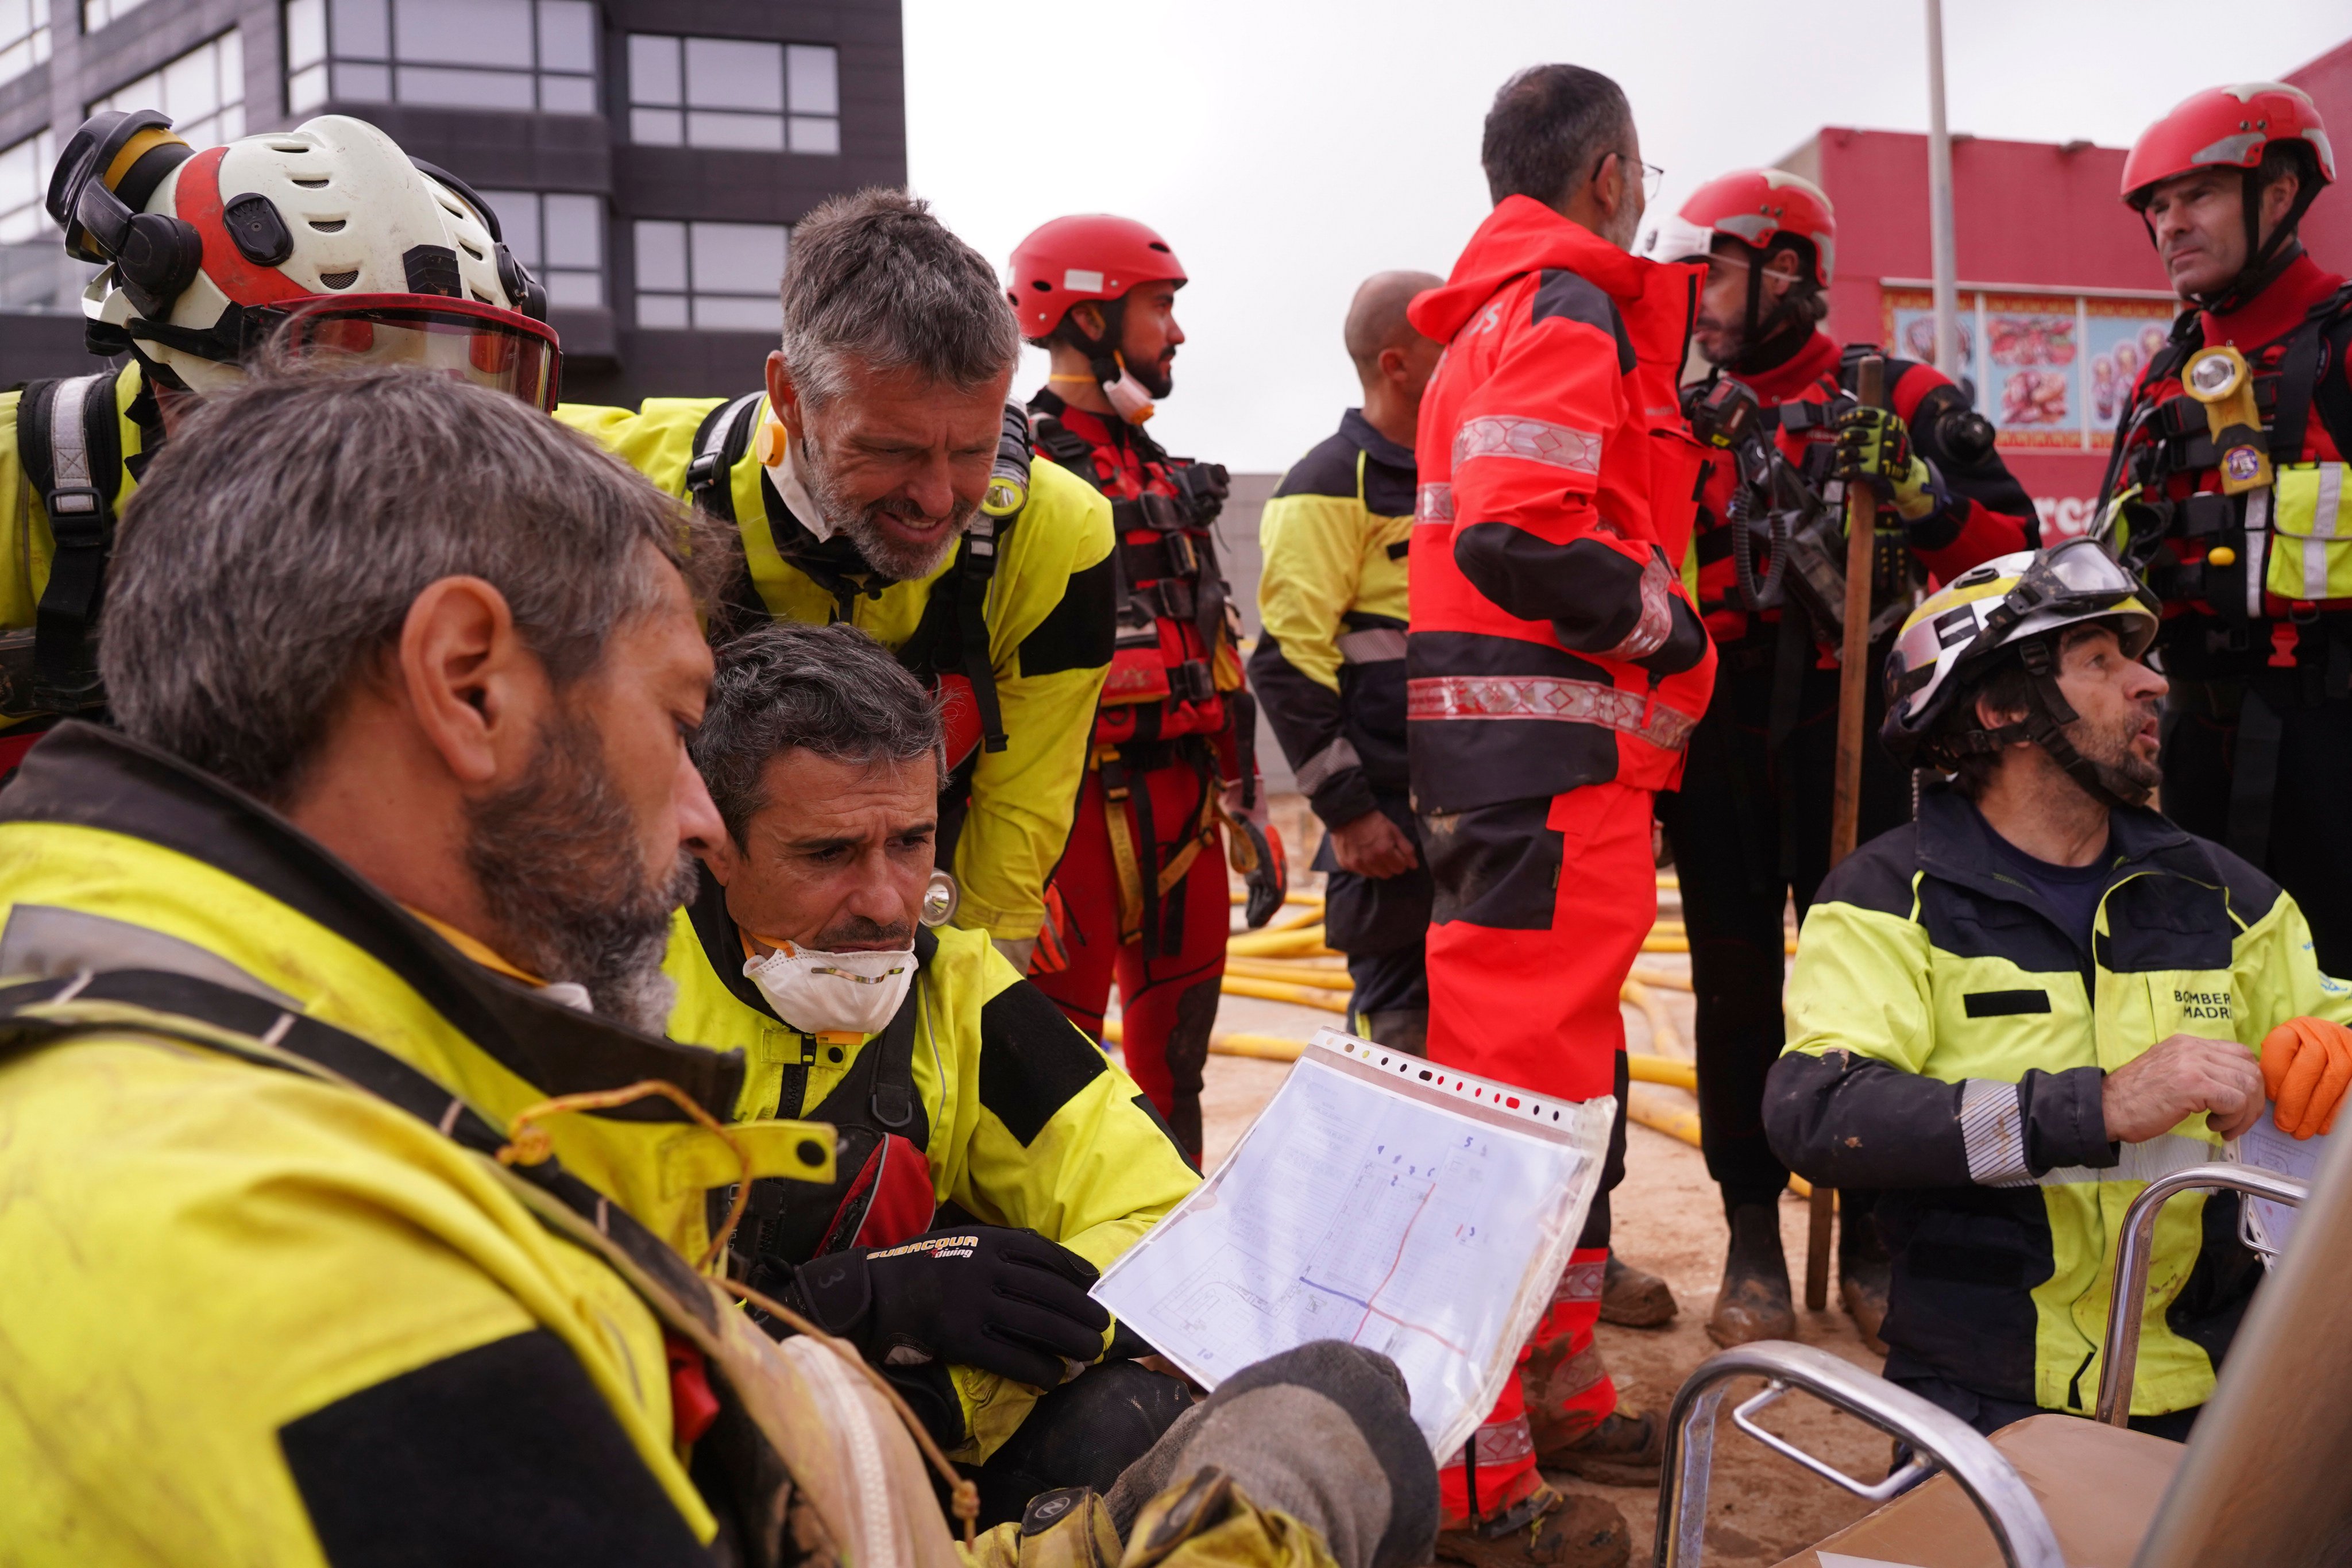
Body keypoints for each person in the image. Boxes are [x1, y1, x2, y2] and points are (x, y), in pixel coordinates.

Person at [0, 360, 1442, 1568]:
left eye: (909, 846)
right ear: (468, 685)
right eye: (673, 717)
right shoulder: (317, 1262)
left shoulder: (221, 1066)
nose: (694, 814)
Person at [1768, 539, 2352, 1439]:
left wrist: (2337, 1055)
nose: (2150, 682)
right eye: (2099, 661)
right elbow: (1822, 1111)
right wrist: (2097, 1104)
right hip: (1977, 1392)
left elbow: (2329, 1032)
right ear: (2002, 705)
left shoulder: (2230, 901)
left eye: (2142, 657)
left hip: (2210, 1391)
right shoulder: (1887, 899)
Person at [663, 620, 1203, 1525]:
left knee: (1142, 1423)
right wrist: (834, 1309)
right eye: (827, 853)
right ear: (712, 842)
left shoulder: (959, 990)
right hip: (674, 1464)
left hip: (912, 1454)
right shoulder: (614, 1001)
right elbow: (557, 1342)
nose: (884, 902)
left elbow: (1167, 1225)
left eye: (911, 842)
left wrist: (978, 1361)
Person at [1406, 64, 1714, 1566]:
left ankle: (1558, 1385)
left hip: (1549, 790)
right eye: (1639, 172)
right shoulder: (1564, 309)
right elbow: (1520, 528)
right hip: (1540, 793)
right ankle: (1473, 1484)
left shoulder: (1495, 318)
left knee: (1559, 1108)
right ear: (1603, 176)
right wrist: (1665, 630)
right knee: (1508, 1129)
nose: (1645, 196)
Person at [1646, 169, 2037, 1350]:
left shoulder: (1902, 394)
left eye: (1715, 271)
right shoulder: (1676, 407)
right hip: (1715, 744)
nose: (1698, 297)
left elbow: (2010, 543)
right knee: (1730, 989)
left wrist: (1919, 497)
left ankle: (1867, 1229)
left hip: (1853, 732)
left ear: (1788, 271)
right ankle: (1752, 1231)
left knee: (1864, 988)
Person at [560, 189, 1115, 975]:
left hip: (907, 898)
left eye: (971, 451)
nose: (933, 497)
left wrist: (962, 1018)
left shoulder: (1059, 538)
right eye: (888, 449)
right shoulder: (606, 486)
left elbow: (1018, 825)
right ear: (789, 395)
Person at [0, 108, 560, 769]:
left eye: (457, 422)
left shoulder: (500, 483)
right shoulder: (18, 482)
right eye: (340, 425)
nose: (409, 475)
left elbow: (654, 457)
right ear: (169, 388)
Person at [1008, 214, 1284, 1163]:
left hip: (1187, 812)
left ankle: (1178, 1272)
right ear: (1087, 316)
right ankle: (1064, 1288)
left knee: (1179, 1071)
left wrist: (1245, 798)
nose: (1176, 332)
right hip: (1065, 821)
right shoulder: (1011, 469)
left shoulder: (1167, 473)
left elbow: (1215, 644)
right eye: (1161, 306)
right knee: (1053, 1076)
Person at [2098, 82, 2352, 974]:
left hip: (2332, 745)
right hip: (2188, 748)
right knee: (2205, 1002)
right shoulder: (2161, 374)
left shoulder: (2342, 344)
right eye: (2156, 207)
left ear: (2276, 193)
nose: (2169, 224)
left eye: (2195, 196)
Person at [1251, 269, 1442, 1056]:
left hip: (1483, 809)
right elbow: (1287, 664)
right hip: (1387, 826)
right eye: (1448, 339)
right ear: (1395, 363)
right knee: (1399, 1037)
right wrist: (1349, 811)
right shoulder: (1327, 486)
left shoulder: (1471, 469)